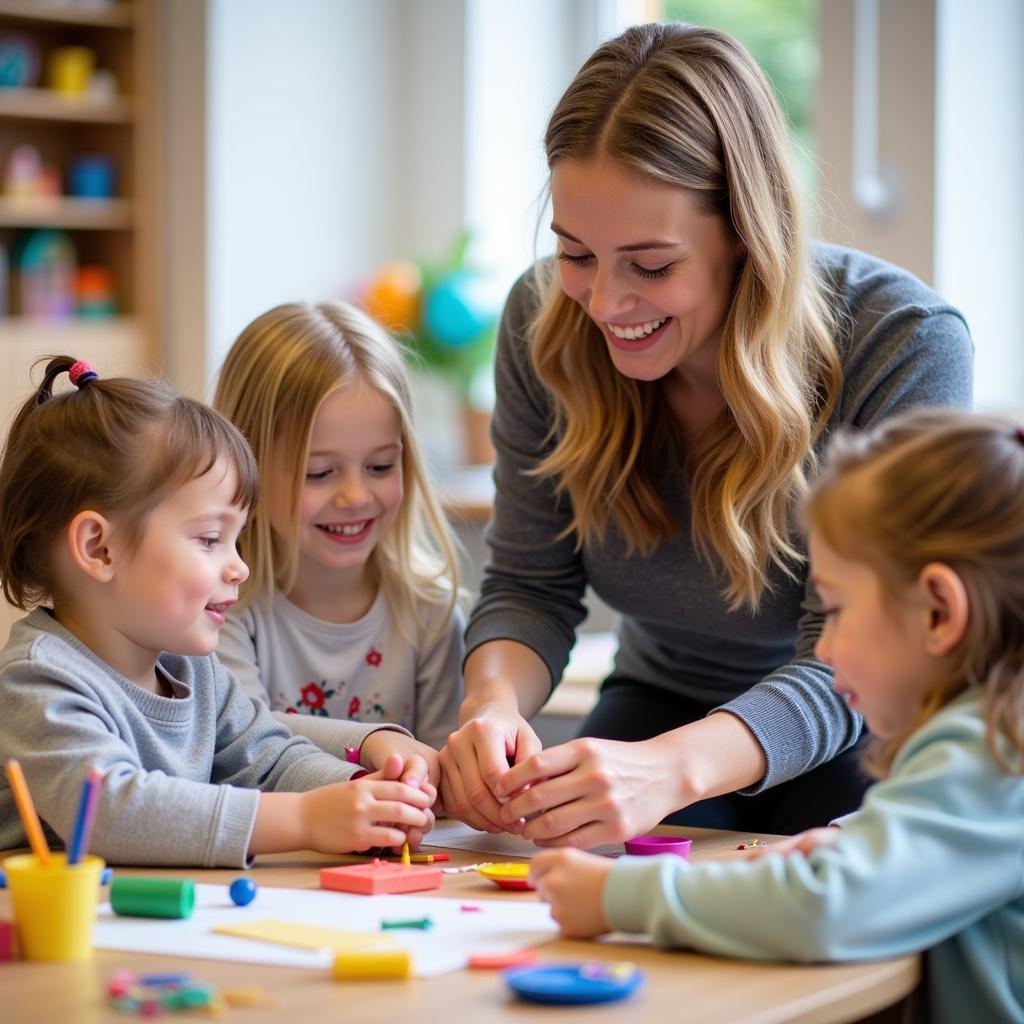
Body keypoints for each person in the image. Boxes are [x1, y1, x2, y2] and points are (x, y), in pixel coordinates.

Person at [439, 21, 973, 844]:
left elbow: (866, 655)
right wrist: (491, 705)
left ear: (746, 235)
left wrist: (672, 768)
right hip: (659, 708)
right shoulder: (542, 324)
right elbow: (530, 584)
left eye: (651, 265)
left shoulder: (902, 341)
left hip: (871, 730)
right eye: (577, 253)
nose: (607, 304)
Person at [531, 408, 1024, 1024]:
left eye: (839, 609)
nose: (824, 647)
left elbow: (830, 909)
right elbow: (945, 840)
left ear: (938, 613)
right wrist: (850, 839)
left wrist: (617, 896)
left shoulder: (992, 750)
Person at [0, 357, 436, 866]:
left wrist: (368, 793)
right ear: (100, 548)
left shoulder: (192, 670)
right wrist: (306, 819)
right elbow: (113, 811)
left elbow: (271, 759)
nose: (239, 568)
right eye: (210, 539)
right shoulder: (37, 682)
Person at [213, 302, 464, 777]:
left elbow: (444, 789)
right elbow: (244, 747)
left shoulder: (428, 612)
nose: (355, 496)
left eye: (381, 466)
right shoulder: (219, 612)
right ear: (248, 466)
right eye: (320, 472)